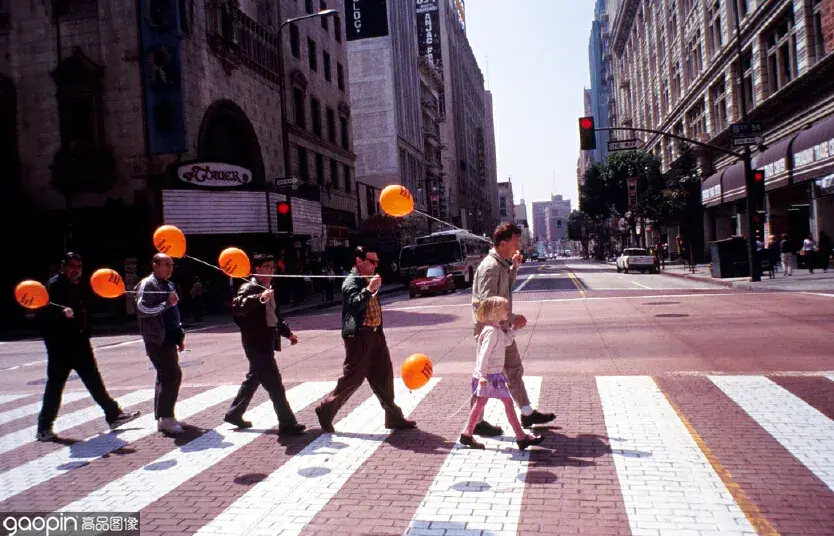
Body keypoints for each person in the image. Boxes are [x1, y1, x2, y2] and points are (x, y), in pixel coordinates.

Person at [36, 253, 141, 441]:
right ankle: (44, 428)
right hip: (61, 348)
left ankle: (114, 415)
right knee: (55, 387)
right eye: (72, 266)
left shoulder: (78, 286)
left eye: (79, 266)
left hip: (80, 343)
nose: (76, 270)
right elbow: (44, 316)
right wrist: (60, 315)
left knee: (94, 381)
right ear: (63, 266)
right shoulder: (54, 286)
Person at [315, 246, 417, 433]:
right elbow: (354, 305)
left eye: (377, 261)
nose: (375, 265)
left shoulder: (368, 278)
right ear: (359, 261)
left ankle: (393, 417)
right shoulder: (351, 282)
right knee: (353, 378)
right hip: (360, 337)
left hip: (376, 334)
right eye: (372, 261)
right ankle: (326, 409)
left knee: (384, 376)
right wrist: (369, 289)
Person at [470, 223, 556, 437]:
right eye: (515, 243)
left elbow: (504, 288)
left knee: (514, 369)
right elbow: (486, 304)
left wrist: (514, 268)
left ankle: (526, 412)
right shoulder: (490, 267)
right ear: (503, 243)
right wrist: (511, 317)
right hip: (490, 331)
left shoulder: (500, 264)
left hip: (501, 328)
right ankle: (476, 424)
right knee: (486, 376)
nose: (518, 247)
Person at [224, 254, 306, 435]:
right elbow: (238, 306)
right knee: (275, 384)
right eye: (267, 267)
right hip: (256, 344)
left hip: (267, 342)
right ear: (256, 269)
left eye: (272, 267)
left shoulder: (268, 288)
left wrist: (288, 333)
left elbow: (275, 317)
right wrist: (260, 298)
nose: (271, 271)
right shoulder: (249, 287)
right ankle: (287, 423)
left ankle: (234, 413)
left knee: (254, 378)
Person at [460, 297, 544, 451]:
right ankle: (521, 438)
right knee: (494, 404)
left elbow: (507, 341)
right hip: (489, 377)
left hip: (495, 376)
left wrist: (515, 329)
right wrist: (482, 375)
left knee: (487, 405)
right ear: (495, 312)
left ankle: (468, 434)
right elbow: (483, 355)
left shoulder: (497, 330)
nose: (508, 312)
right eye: (505, 309)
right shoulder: (491, 332)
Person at [136, 253, 186, 435]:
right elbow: (142, 309)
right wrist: (166, 303)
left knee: (166, 376)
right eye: (166, 264)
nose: (170, 268)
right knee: (171, 374)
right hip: (156, 339)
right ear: (155, 265)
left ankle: (164, 416)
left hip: (168, 337)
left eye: (171, 265)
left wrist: (179, 336)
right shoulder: (148, 284)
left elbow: (173, 314)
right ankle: (165, 417)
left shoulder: (168, 284)